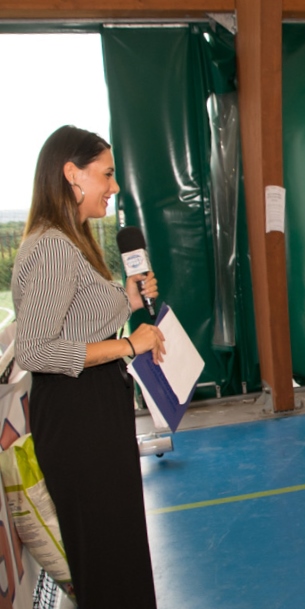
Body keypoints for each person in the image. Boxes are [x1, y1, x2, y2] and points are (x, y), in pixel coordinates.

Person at [12, 125, 166, 608]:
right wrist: (129, 346)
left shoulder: (71, 240)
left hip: (94, 408)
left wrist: (129, 299)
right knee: (106, 554)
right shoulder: (52, 247)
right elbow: (35, 350)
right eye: (107, 174)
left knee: (118, 546)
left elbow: (78, 323)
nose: (114, 186)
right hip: (77, 416)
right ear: (72, 174)